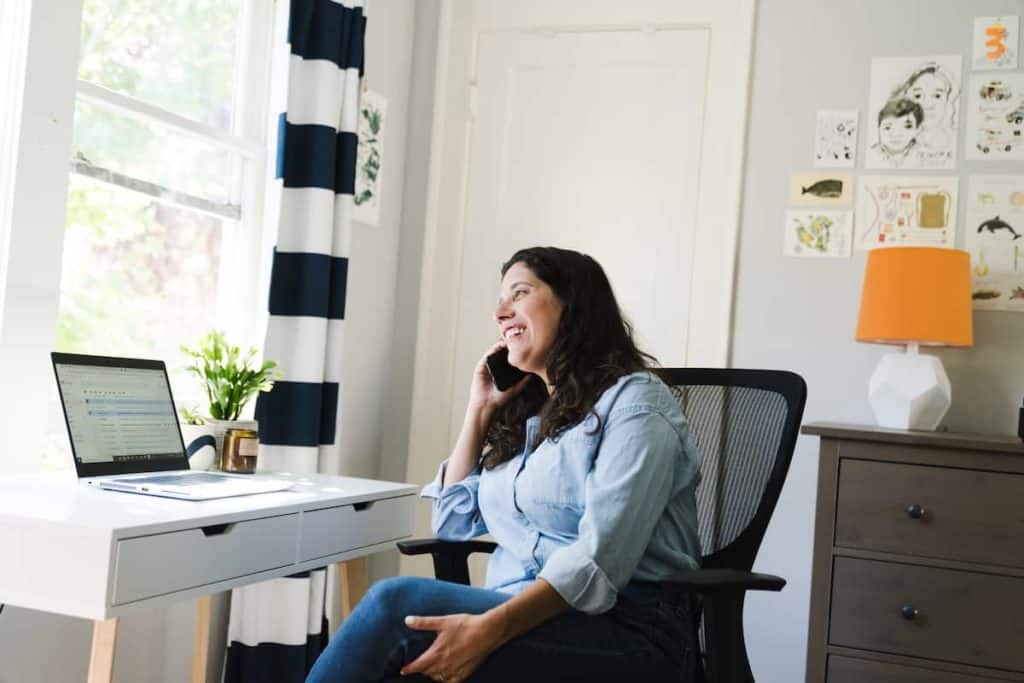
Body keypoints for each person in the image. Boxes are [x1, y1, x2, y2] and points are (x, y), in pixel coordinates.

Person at [306, 246, 703, 683]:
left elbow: (598, 562)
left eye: (519, 293)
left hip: (629, 628)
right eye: (500, 299)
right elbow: (452, 523)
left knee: (393, 609)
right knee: (406, 651)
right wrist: (478, 411)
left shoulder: (636, 405)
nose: (500, 312)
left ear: (572, 305)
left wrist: (487, 632)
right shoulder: (535, 413)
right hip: (523, 613)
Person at [890, 63, 956, 152]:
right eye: (918, 96)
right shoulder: (893, 142)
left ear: (947, 99)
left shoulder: (953, 140)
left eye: (937, 96)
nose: (928, 105)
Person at [871, 98, 924, 167]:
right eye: (888, 128)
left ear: (917, 130)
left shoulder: (924, 155)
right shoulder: (872, 154)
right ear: (879, 129)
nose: (896, 134)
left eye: (907, 127)